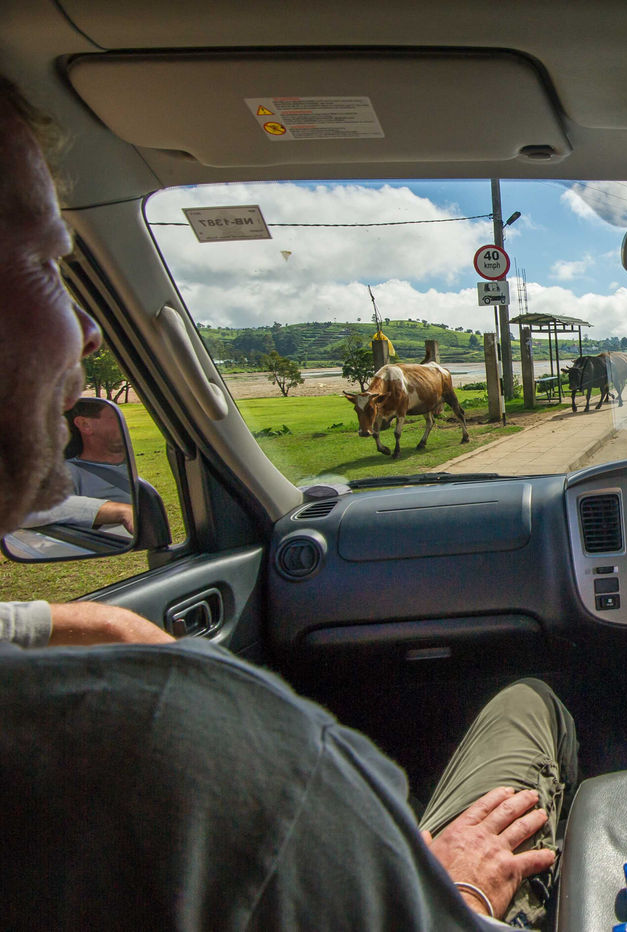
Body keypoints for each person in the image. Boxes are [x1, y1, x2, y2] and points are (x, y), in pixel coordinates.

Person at [0, 73, 574, 929]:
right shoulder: (177, 743)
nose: (90, 332)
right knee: (533, 697)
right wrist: (458, 889)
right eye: (48, 264)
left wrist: (80, 623)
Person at [22, 397, 134, 533]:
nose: (125, 424)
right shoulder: (66, 472)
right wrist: (122, 511)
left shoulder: (132, 465)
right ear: (85, 424)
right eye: (116, 417)